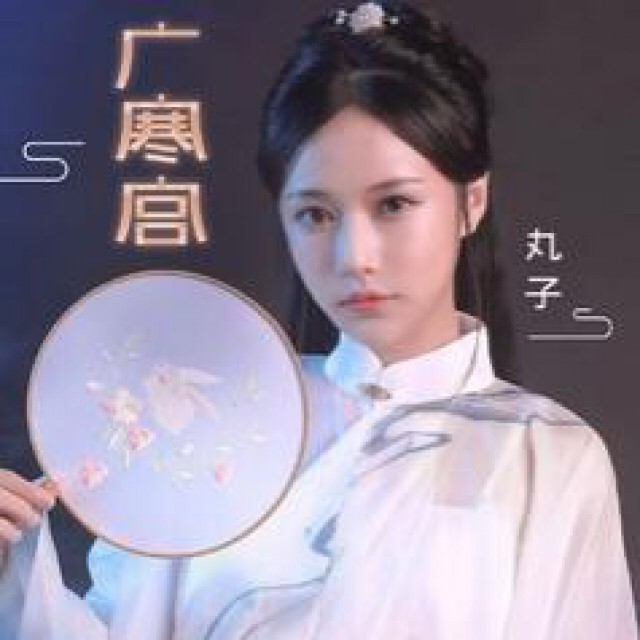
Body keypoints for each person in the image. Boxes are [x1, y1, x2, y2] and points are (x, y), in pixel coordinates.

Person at [0, 1, 637, 638]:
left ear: (471, 200)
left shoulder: (547, 453)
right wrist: (12, 571)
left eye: (394, 204)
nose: (354, 256)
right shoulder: (217, 424)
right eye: (316, 214)